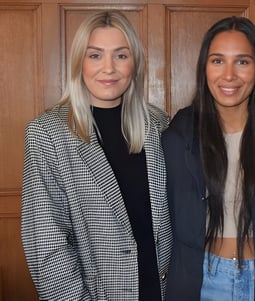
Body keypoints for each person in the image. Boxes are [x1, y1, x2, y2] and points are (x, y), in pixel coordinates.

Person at [21, 11, 172, 300]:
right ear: (79, 62)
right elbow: (47, 244)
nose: (108, 68)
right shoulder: (47, 134)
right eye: (95, 55)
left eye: (121, 55)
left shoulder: (159, 124)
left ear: (135, 63)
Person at [162, 16, 255, 301]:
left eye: (242, 62)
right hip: (203, 281)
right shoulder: (179, 137)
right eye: (217, 61)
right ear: (204, 68)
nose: (228, 75)